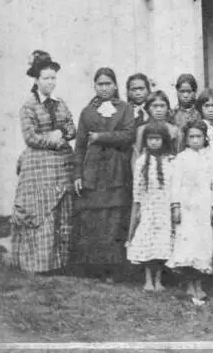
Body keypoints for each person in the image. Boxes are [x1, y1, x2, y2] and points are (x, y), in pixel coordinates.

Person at [11, 54, 77, 274]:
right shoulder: (28, 106)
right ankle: (38, 264)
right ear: (36, 80)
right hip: (39, 165)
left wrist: (62, 132)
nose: (51, 82)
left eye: (53, 78)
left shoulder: (60, 104)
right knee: (41, 211)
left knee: (62, 209)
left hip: (62, 165)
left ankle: (60, 263)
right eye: (46, 78)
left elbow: (71, 128)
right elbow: (31, 137)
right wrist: (54, 138)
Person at [72, 67, 136, 281]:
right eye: (100, 84)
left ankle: (112, 270)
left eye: (108, 83)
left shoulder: (125, 109)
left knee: (113, 218)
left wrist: (100, 136)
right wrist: (78, 175)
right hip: (93, 171)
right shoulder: (87, 112)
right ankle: (94, 269)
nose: (104, 88)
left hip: (117, 170)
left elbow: (128, 135)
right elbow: (80, 145)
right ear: (94, 86)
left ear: (116, 85)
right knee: (94, 218)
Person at [167, 119, 213, 305]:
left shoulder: (211, 158)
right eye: (192, 137)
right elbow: (175, 184)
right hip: (186, 207)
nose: (195, 140)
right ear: (186, 138)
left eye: (199, 136)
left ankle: (199, 284)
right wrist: (175, 206)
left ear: (205, 137)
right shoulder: (181, 158)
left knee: (202, 245)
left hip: (204, 208)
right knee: (187, 245)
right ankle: (189, 284)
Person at [126, 121, 176, 292]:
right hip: (148, 208)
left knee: (161, 243)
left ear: (164, 140)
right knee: (148, 243)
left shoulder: (171, 160)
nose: (154, 142)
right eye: (150, 139)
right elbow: (137, 188)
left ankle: (159, 279)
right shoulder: (141, 162)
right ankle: (148, 279)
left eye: (157, 139)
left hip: (164, 208)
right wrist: (138, 207)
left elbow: (174, 186)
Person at [132, 91, 181, 174]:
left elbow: (179, 156)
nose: (159, 110)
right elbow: (136, 155)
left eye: (162, 106)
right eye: (154, 106)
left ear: (168, 108)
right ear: (148, 108)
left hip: (169, 171)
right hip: (147, 171)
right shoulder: (142, 129)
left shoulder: (174, 130)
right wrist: (137, 175)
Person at [171, 74, 200, 148]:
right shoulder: (172, 114)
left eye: (189, 91)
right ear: (177, 91)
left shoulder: (200, 112)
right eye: (182, 91)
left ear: (195, 91)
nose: (185, 95)